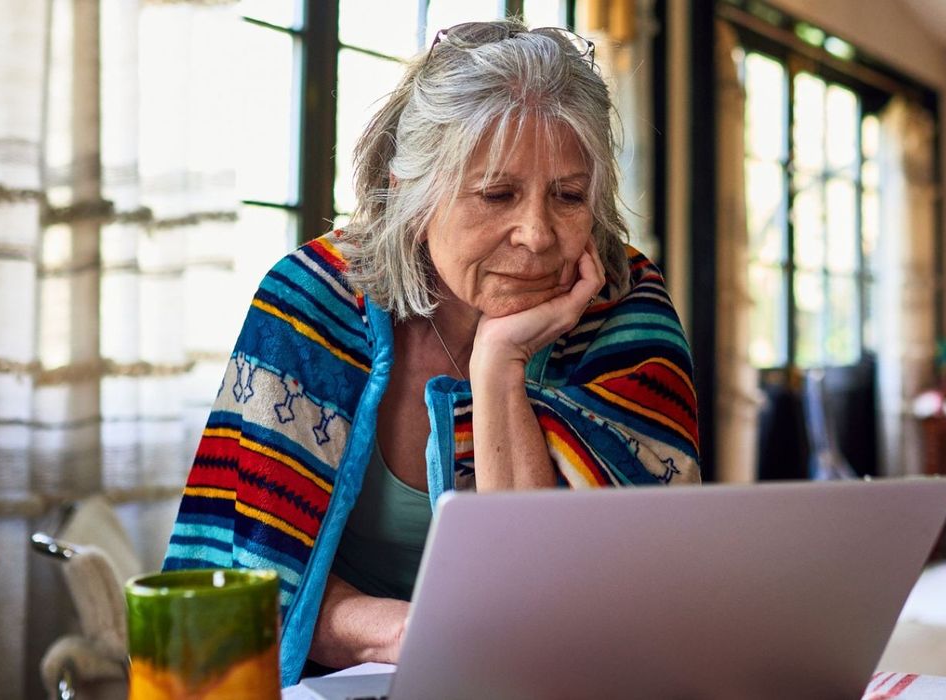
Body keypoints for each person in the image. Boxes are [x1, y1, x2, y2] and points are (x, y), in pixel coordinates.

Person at [163, 18, 700, 686]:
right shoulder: (310, 302)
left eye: (567, 195)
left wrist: (500, 365)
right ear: (411, 194)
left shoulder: (626, 312)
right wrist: (413, 632)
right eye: (497, 194)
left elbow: (575, 603)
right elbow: (249, 577)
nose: (535, 234)